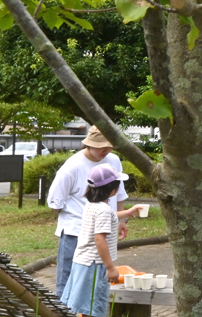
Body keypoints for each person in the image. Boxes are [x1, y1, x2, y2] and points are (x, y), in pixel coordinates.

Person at [47, 127, 131, 297]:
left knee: (96, 279)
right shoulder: (72, 166)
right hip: (75, 232)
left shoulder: (113, 160)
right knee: (68, 281)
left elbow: (119, 193)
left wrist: (122, 220)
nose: (106, 151)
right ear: (89, 144)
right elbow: (55, 202)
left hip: (105, 228)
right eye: (101, 147)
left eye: (109, 146)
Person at [59, 164, 146, 317]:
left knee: (86, 307)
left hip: (82, 262)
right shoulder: (103, 210)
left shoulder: (92, 206)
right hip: (95, 265)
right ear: (113, 189)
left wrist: (128, 212)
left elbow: (109, 216)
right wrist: (110, 267)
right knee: (94, 307)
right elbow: (99, 239)